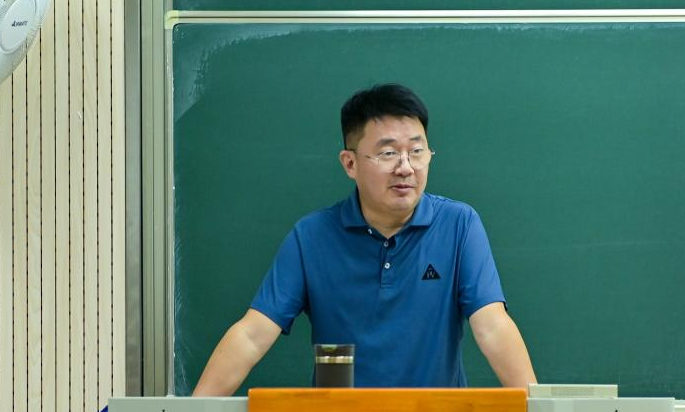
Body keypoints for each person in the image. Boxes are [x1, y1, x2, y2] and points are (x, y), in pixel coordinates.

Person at [193, 84, 535, 395]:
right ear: (350, 164)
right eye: (388, 153)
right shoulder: (311, 236)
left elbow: (492, 327)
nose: (406, 167)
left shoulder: (459, 224)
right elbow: (252, 335)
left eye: (417, 151)